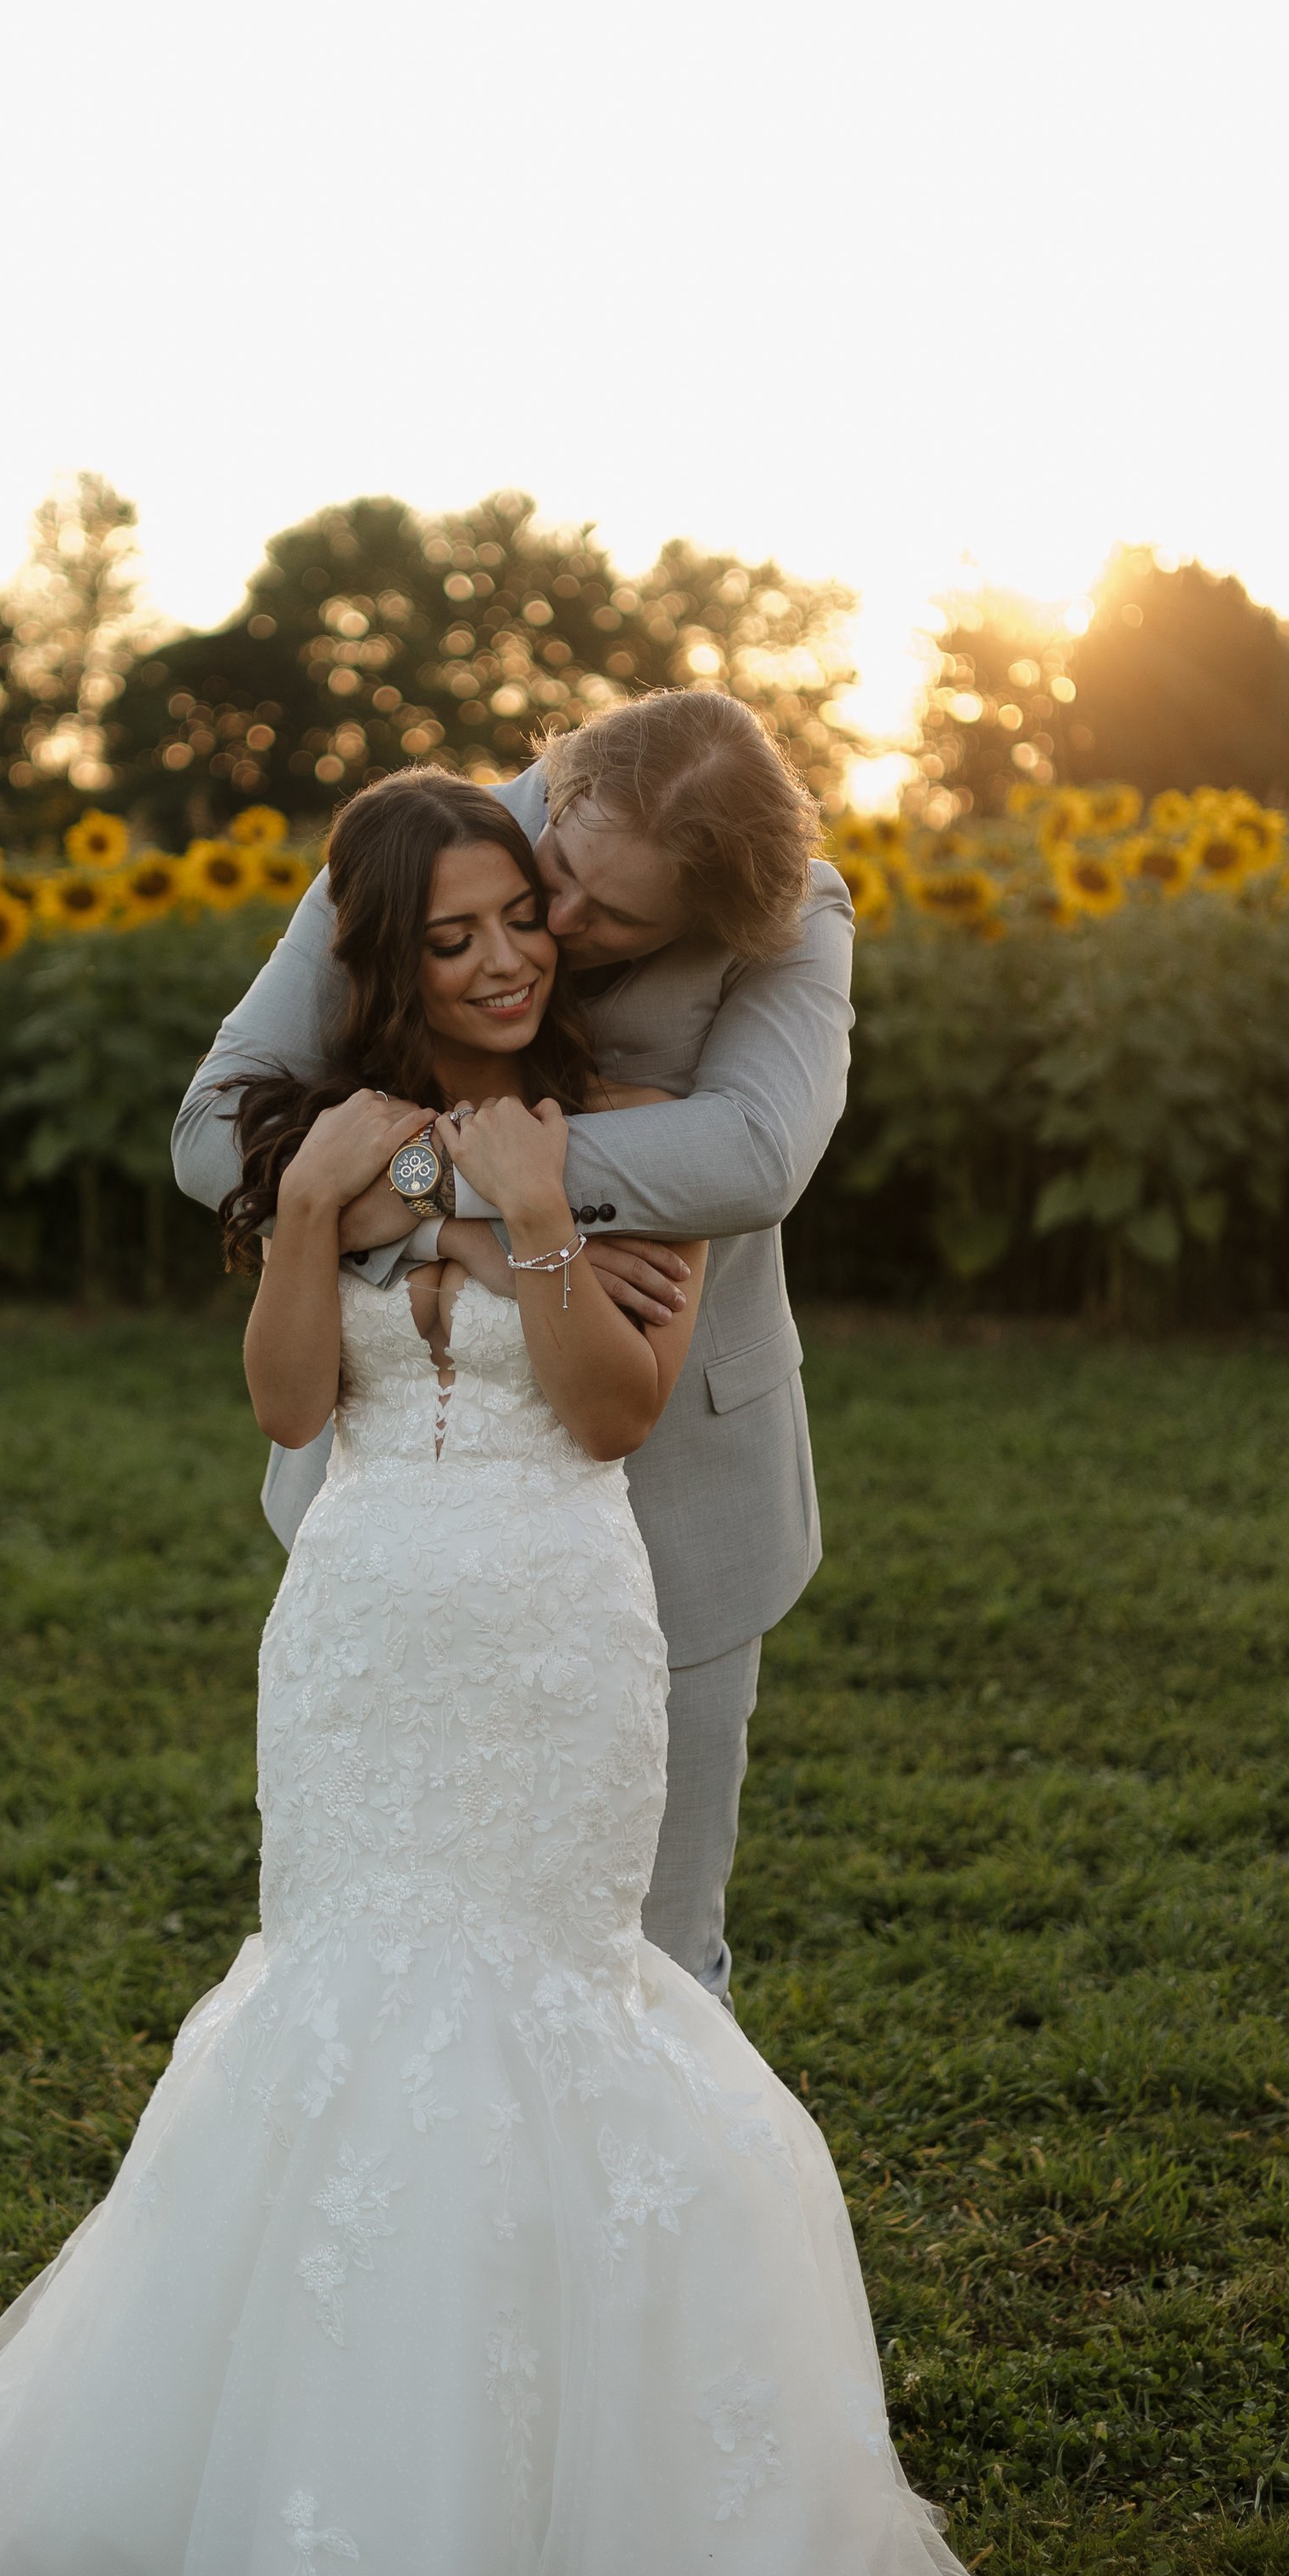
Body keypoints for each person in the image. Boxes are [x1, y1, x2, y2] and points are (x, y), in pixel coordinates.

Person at [0, 769, 984, 2576]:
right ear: (388, 953)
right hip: (365, 1623)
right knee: (342, 2001)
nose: (505, 947)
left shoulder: (615, 1145)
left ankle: (596, 2535)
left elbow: (621, 1407)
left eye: (525, 923)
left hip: (557, 1617)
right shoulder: (329, 1129)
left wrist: (528, 1208)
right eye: (454, 933)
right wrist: (308, 1208)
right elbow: (290, 1393)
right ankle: (348, 2515)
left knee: (579, 1988)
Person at [173, 688, 853, 2002]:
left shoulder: (793, 912)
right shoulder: (416, 852)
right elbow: (213, 1132)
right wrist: (442, 1210)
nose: (558, 932)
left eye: (620, 921)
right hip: (399, 1496)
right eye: (562, 878)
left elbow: (755, 1154)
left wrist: (450, 1179)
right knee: (380, 1932)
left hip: (677, 1472)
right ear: (565, 785)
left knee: (648, 1946)